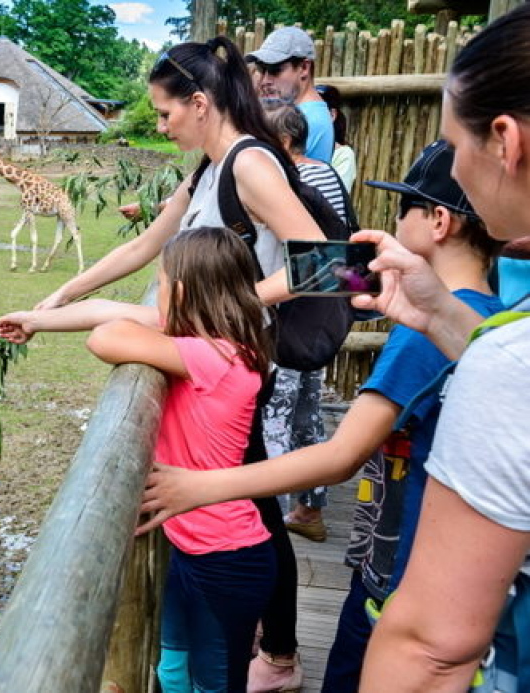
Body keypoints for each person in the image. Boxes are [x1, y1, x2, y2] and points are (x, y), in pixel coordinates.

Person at [134, 139, 504, 693]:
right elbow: (328, 276)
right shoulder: (489, 316)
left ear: (439, 222)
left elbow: (341, 454)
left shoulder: (420, 338)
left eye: (403, 208)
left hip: (405, 574)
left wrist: (203, 487)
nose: (393, 221)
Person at [31, 36, 330, 692]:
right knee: (251, 494)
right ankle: (265, 643)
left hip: (243, 358)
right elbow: (147, 244)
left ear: (199, 103)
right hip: (221, 346)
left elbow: (329, 264)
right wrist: (65, 292)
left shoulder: (251, 165)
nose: (161, 127)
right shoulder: (205, 168)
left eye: (165, 114)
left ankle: (278, 653)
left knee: (255, 497)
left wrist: (232, 307)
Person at [0, 226, 278, 692]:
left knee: (214, 683)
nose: (156, 295)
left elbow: (105, 336)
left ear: (181, 293)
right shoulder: (214, 343)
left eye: (161, 283)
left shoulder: (218, 357)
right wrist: (35, 318)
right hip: (191, 548)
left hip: (228, 558)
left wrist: (156, 318)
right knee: (171, 671)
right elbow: (106, 311)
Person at [344, 6, 530, 689]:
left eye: (454, 144)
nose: (455, 163)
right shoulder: (504, 322)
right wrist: (443, 316)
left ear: (505, 141)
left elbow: (433, 648)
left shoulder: (513, 363)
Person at [261, 98, 355, 543]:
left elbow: (314, 261)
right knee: (307, 415)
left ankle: (270, 523)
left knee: (275, 421)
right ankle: (309, 509)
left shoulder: (292, 183)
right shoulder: (328, 174)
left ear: (281, 141)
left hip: (291, 322)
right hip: (321, 321)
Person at [248, 26, 334, 164]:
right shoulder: (304, 112)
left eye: (275, 70)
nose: (265, 81)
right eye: (262, 70)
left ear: (304, 68)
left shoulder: (308, 119)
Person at [315, 84, 358, 192]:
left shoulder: (343, 155)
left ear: (332, 115)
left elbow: (335, 195)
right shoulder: (296, 147)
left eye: (316, 109)